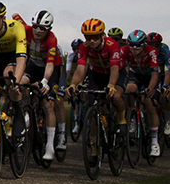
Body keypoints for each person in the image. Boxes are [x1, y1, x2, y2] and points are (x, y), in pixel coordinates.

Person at [17, 10, 67, 162]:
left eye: (42, 28)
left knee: (48, 104)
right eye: (36, 27)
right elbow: (16, 18)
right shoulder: (26, 30)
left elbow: (50, 64)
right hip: (34, 65)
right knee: (20, 84)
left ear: (49, 29)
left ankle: (51, 145)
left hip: (51, 69)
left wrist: (45, 80)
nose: (38, 31)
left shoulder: (52, 40)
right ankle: (26, 112)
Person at [67, 18, 126, 137]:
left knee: (116, 96)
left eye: (95, 37)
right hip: (97, 74)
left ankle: (121, 120)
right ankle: (94, 146)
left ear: (102, 35)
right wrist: (73, 84)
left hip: (115, 73)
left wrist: (111, 85)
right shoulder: (84, 47)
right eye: (88, 37)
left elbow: (114, 69)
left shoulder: (112, 45)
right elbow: (80, 69)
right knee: (93, 107)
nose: (92, 41)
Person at [121, 29, 161, 157]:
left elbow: (155, 73)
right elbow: (117, 66)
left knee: (149, 104)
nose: (134, 48)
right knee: (129, 90)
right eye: (131, 44)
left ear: (144, 44)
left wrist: (150, 87)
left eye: (137, 45)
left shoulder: (151, 51)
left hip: (150, 75)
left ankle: (155, 143)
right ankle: (132, 116)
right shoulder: (126, 50)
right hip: (136, 73)